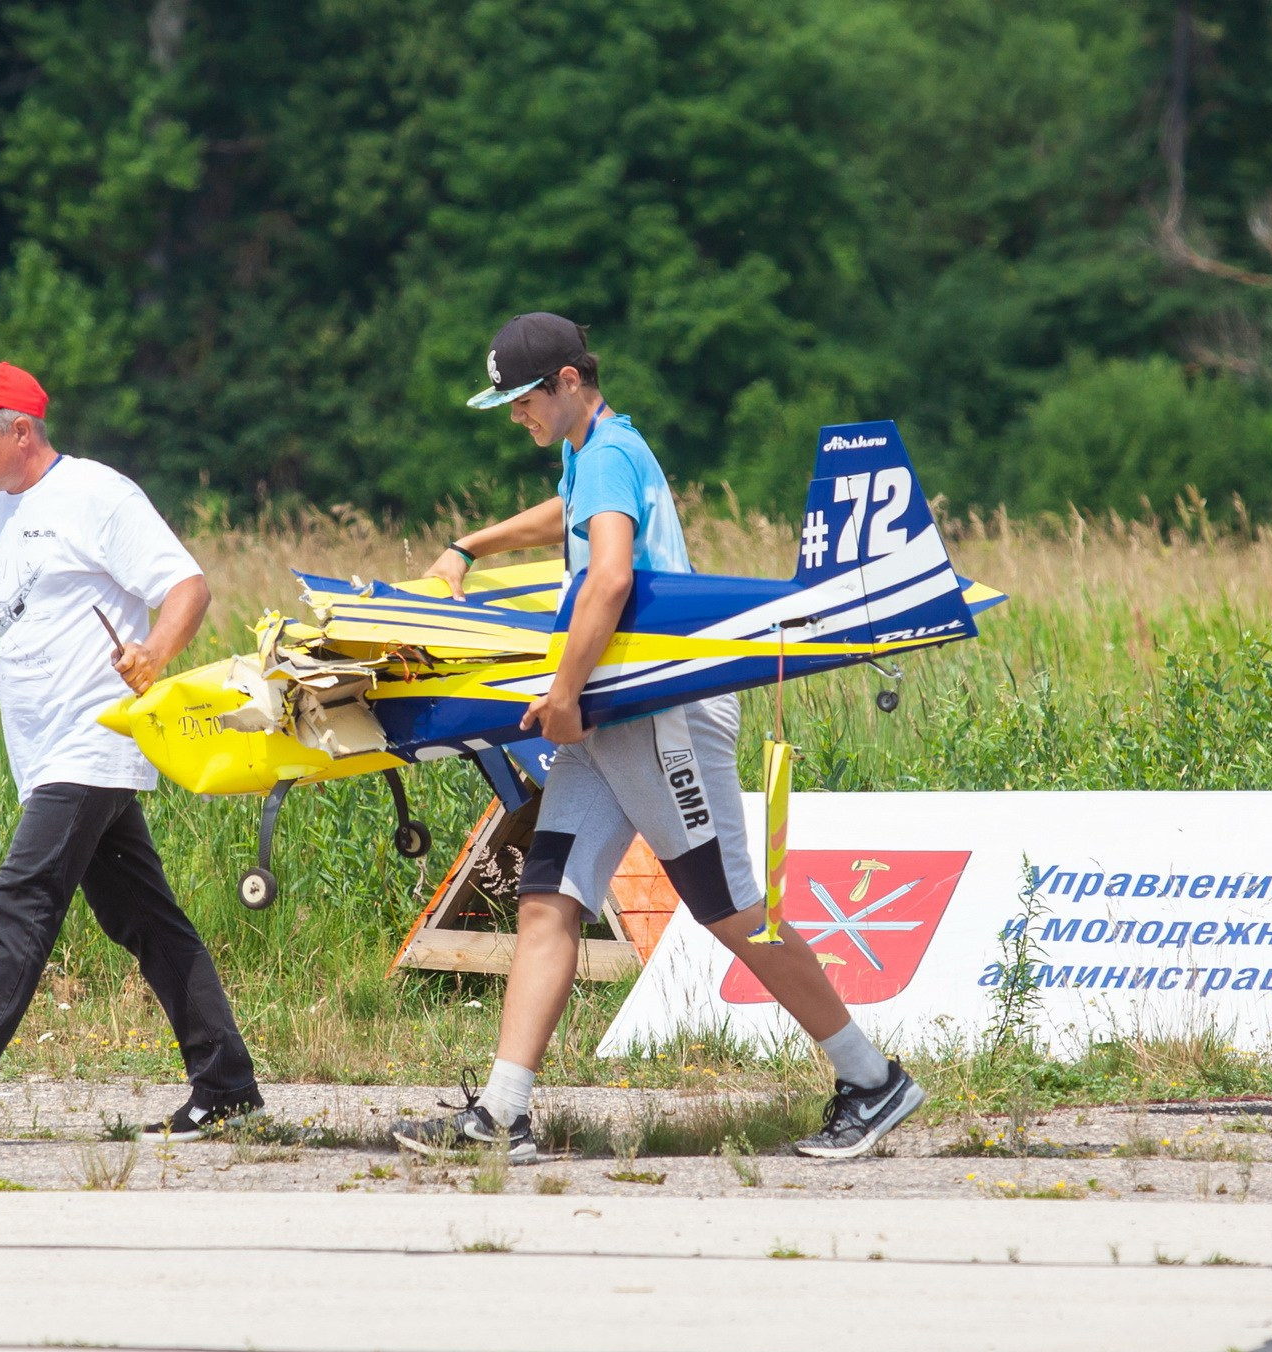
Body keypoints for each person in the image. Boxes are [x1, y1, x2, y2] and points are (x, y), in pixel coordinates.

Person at [391, 314, 924, 1163]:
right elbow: (569, 516)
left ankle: (871, 1080)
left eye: (522, 398)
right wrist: (468, 547)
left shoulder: (605, 452)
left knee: (729, 908)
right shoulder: (593, 450)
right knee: (547, 899)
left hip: (661, 719)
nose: (514, 415)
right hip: (612, 724)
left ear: (568, 380)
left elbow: (609, 575)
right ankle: (502, 1116)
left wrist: (562, 693)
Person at [0, 361, 261, 1145]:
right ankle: (227, 1083)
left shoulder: (98, 495)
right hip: (45, 754)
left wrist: (155, 651)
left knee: (20, 901)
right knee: (143, 918)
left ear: (19, 430)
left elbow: (187, 585)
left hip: (92, 739)